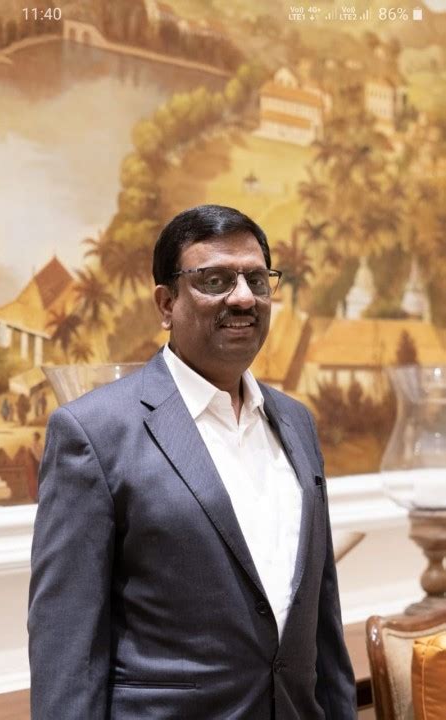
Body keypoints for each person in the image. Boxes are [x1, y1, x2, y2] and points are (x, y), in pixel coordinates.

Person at [29, 205, 356, 720]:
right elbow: (67, 646)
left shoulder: (297, 424)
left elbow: (322, 619)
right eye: (215, 280)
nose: (244, 297)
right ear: (167, 303)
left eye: (256, 280)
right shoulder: (94, 433)